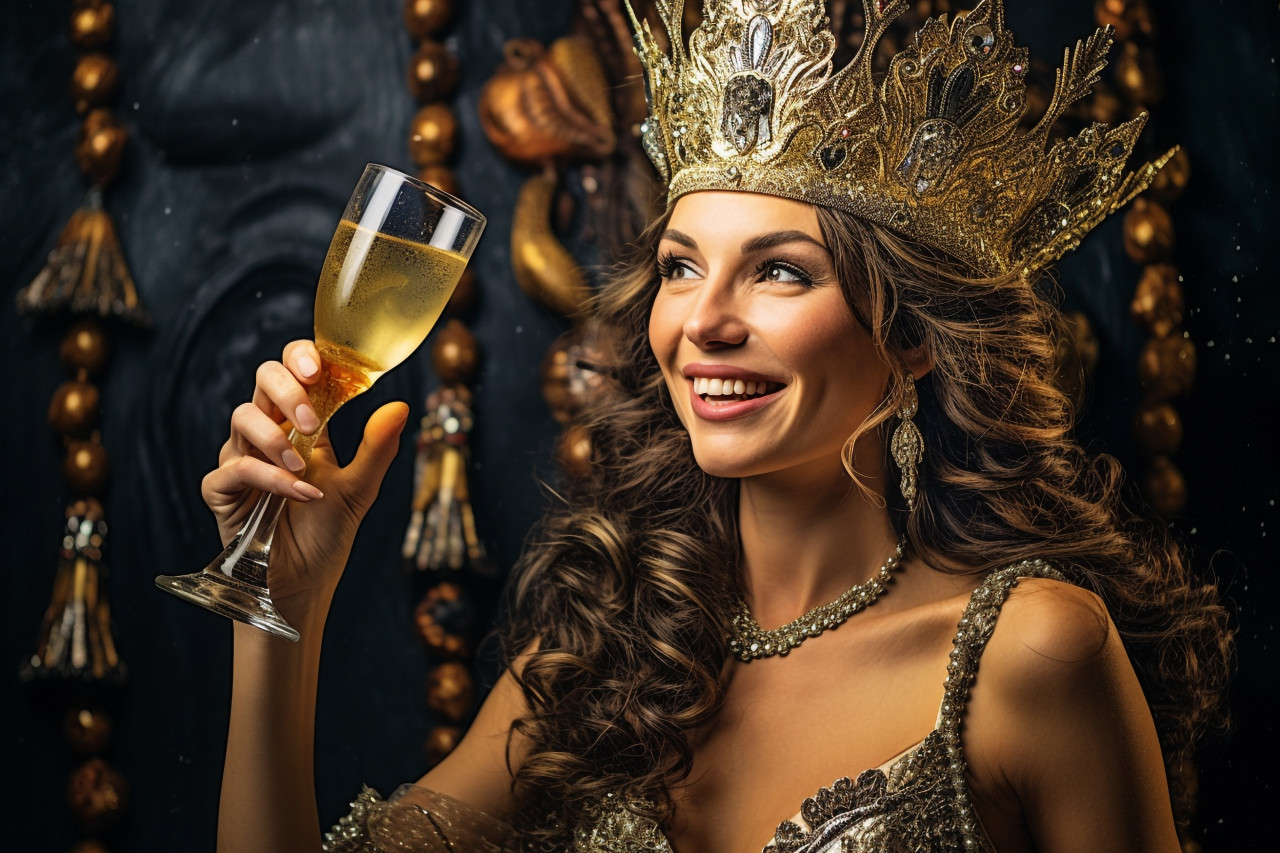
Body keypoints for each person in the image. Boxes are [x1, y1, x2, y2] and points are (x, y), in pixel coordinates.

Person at [207, 2, 1231, 851]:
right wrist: (276, 606)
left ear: (912, 339)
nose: (702, 322)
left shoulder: (1033, 654)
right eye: (680, 267)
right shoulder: (600, 654)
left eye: (779, 270)